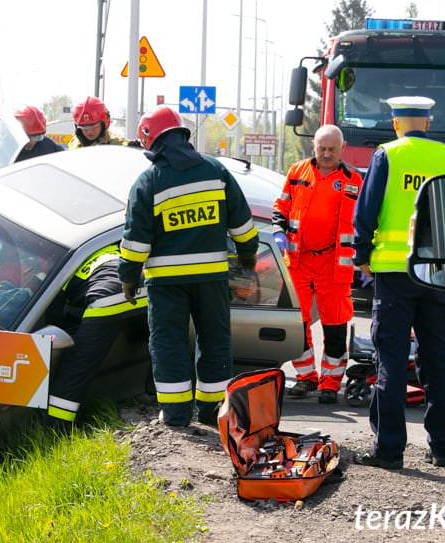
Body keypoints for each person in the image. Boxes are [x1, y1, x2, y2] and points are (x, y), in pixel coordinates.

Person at [119, 106, 258, 427]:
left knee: (169, 343)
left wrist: (128, 278)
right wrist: (248, 256)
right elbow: (242, 223)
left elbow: (136, 241)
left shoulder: (148, 182)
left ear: (150, 142)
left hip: (166, 283)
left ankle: (176, 414)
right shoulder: (215, 170)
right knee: (215, 339)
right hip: (211, 278)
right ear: (182, 134)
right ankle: (213, 411)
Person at [352, 96, 445, 469]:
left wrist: (362, 257)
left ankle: (389, 450)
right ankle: (442, 448)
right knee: (437, 360)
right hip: (440, 274)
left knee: (391, 358)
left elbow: (366, 211)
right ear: (428, 123)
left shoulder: (388, 155)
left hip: (393, 271)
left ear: (396, 122)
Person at [272, 124, 362, 404]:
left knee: (335, 326)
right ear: (314, 147)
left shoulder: (353, 180)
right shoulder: (297, 172)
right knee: (297, 324)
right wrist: (278, 229)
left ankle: (331, 384)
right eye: (321, 148)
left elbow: (365, 220)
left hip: (334, 264)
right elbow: (281, 206)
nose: (326, 154)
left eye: (331, 149)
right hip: (299, 260)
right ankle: (306, 377)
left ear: (342, 149)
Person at [46, 245, 148, 427]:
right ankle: (155, 394)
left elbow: (52, 317)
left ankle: (56, 427)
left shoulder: (56, 272)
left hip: (107, 296)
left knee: (78, 362)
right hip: (142, 286)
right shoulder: (99, 249)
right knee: (159, 343)